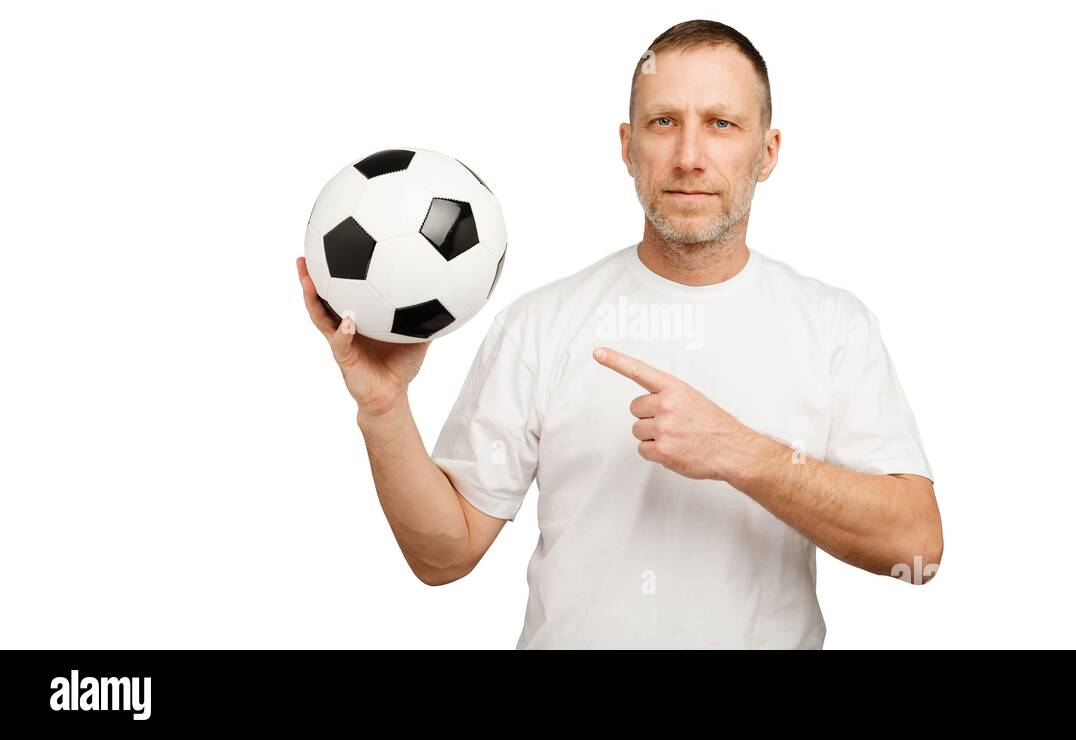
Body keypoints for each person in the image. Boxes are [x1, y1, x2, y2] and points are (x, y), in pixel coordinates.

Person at [296, 19, 943, 649]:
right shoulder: (540, 324)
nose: (690, 157)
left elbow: (916, 545)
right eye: (665, 123)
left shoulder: (833, 326)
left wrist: (740, 452)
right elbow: (444, 556)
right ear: (628, 146)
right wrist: (382, 409)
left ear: (767, 152)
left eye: (721, 123)